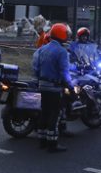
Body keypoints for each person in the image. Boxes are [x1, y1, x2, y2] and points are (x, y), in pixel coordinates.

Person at [32, 22, 75, 153]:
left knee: (44, 113)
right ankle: (52, 144)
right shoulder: (62, 52)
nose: (67, 37)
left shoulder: (42, 49)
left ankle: (42, 141)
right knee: (54, 115)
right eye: (66, 34)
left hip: (42, 86)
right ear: (62, 35)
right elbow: (64, 72)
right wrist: (70, 86)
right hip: (54, 88)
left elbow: (35, 68)